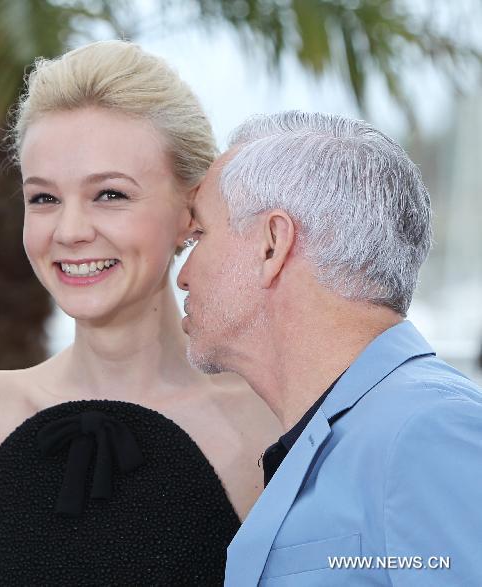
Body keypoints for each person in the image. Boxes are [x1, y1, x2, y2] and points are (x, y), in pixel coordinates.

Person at [0, 40, 281, 585]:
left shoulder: (272, 425)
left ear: (190, 212)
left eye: (110, 195)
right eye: (44, 199)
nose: (70, 231)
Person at [177, 111, 482, 585]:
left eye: (199, 235)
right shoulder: (368, 430)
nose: (182, 274)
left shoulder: (427, 431)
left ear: (271, 246)